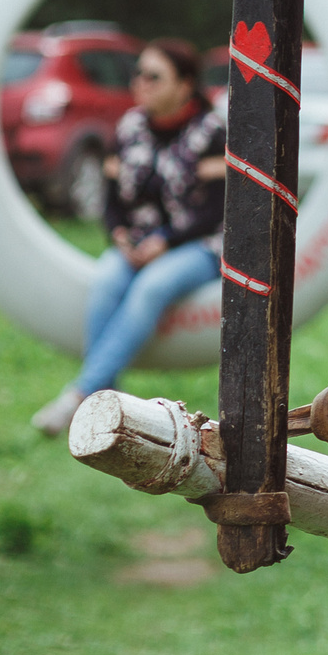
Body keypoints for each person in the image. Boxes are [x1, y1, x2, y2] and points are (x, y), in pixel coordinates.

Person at [31, 38, 227, 437]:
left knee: (151, 288)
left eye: (154, 76)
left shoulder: (212, 131)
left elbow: (215, 210)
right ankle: (108, 402)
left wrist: (165, 242)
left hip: (198, 245)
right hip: (137, 241)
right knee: (105, 281)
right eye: (138, 74)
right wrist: (120, 234)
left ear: (185, 84)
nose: (140, 83)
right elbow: (111, 197)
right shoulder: (130, 127)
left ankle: (81, 397)